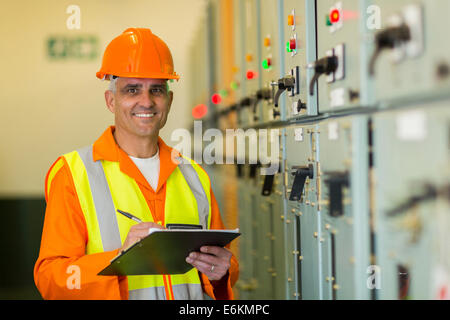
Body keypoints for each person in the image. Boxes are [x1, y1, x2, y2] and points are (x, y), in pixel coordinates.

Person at [33, 28, 239, 300]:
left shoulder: (193, 175)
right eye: (132, 89)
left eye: (157, 89)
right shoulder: (73, 174)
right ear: (111, 100)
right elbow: (52, 279)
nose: (146, 101)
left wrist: (224, 271)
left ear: (169, 100)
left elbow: (219, 271)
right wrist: (119, 259)